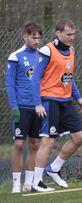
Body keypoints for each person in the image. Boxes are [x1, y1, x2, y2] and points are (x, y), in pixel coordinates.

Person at [31, 19, 82, 192]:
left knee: (79, 137)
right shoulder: (47, 50)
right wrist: (37, 103)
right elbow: (34, 78)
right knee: (48, 141)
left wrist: (78, 98)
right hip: (49, 101)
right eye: (68, 34)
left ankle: (54, 169)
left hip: (66, 101)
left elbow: (69, 77)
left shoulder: (71, 50)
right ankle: (36, 182)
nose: (72, 37)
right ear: (58, 33)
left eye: (73, 34)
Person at [5, 22, 43, 193]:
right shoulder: (15, 56)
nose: (37, 41)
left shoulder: (42, 56)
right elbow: (10, 85)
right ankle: (15, 184)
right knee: (19, 144)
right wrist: (14, 107)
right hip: (21, 107)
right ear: (25, 36)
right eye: (33, 37)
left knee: (35, 144)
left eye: (39, 38)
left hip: (38, 107)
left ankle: (29, 183)